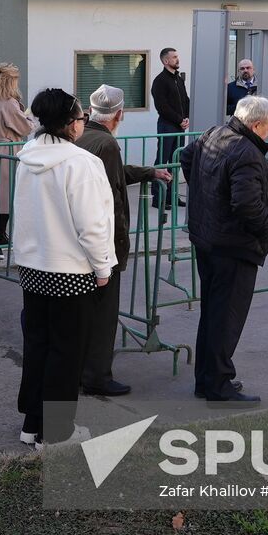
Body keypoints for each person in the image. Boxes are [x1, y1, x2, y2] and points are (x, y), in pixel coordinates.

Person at [13, 88, 115, 448]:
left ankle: (33, 425)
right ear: (71, 124)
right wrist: (103, 267)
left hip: (32, 265)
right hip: (71, 269)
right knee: (67, 351)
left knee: (38, 344)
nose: (83, 124)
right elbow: (93, 225)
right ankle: (56, 433)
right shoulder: (82, 163)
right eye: (81, 119)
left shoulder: (26, 155)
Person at [180, 95, 268, 402]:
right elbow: (247, 203)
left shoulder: (213, 133)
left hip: (209, 239)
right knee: (226, 317)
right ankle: (218, 383)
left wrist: (204, 194)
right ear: (257, 124)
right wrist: (267, 229)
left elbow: (187, 158)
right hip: (233, 246)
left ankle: (207, 379)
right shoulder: (245, 151)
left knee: (213, 312)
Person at [74, 84, 169, 397]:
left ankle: (79, 370)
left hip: (77, 240)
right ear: (119, 114)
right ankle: (97, 376)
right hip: (101, 243)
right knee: (103, 315)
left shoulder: (81, 135)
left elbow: (113, 176)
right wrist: (118, 246)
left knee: (83, 313)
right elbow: (113, 195)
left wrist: (147, 173)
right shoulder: (106, 143)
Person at [0, 63, 36, 256]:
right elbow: (26, 128)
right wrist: (27, 118)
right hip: (7, 151)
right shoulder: (9, 104)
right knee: (6, 197)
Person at [150, 47, 190, 221]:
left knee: (176, 161)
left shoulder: (178, 79)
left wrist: (186, 118)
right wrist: (179, 120)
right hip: (167, 126)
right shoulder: (160, 81)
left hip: (180, 126)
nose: (177, 59)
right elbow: (162, 107)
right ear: (166, 61)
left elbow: (185, 100)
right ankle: (158, 198)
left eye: (177, 56)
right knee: (163, 160)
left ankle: (172, 196)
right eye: (174, 57)